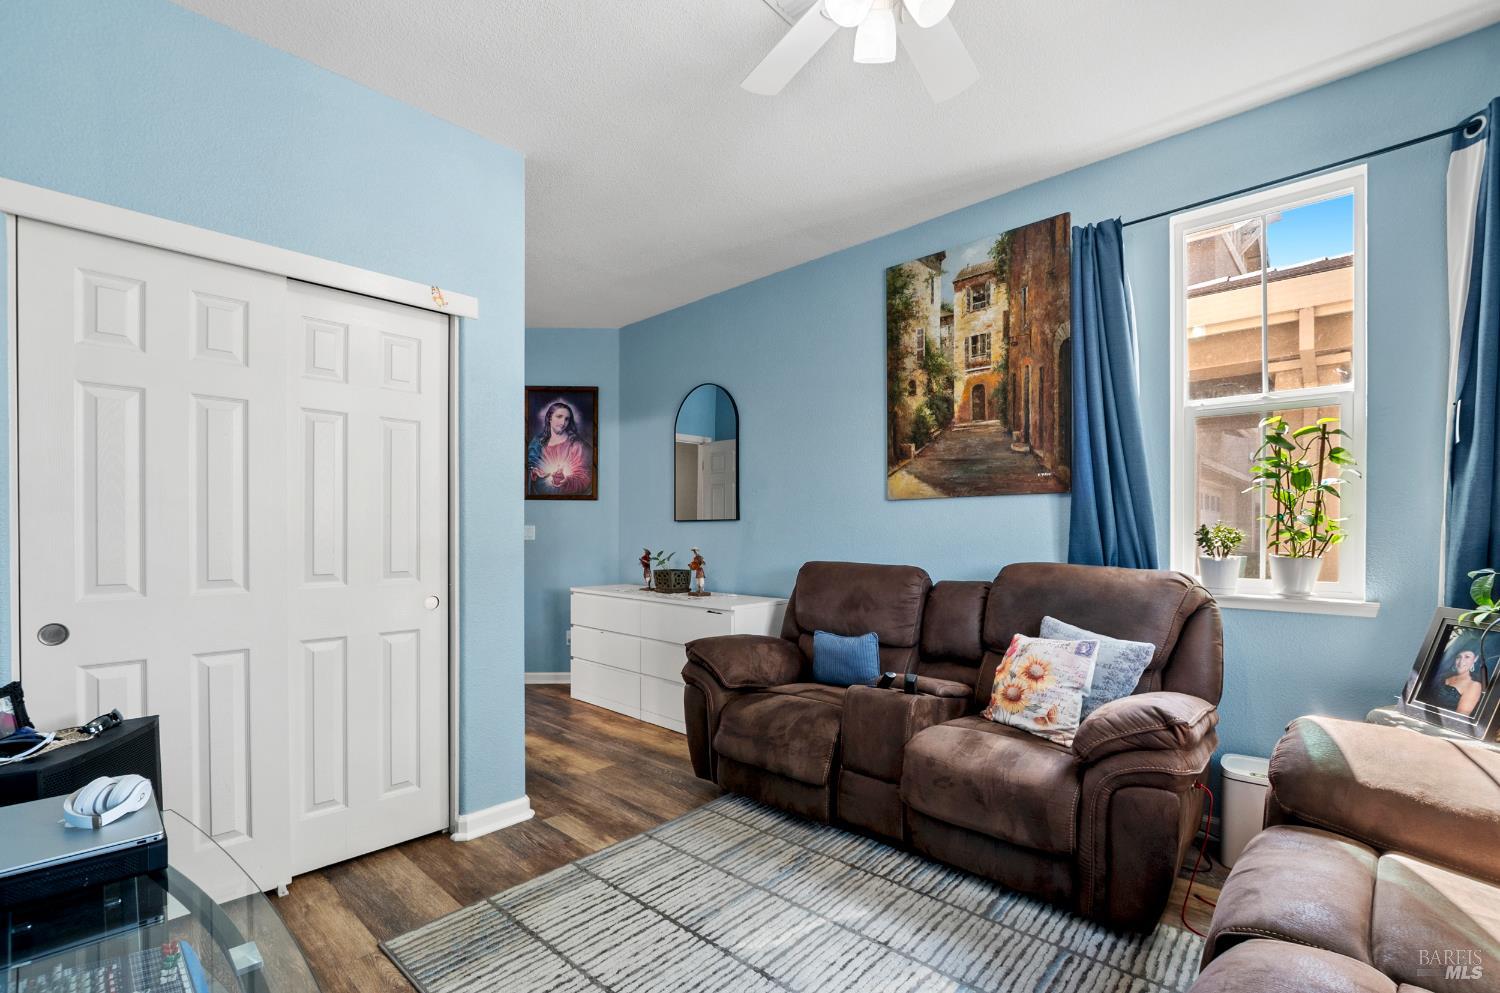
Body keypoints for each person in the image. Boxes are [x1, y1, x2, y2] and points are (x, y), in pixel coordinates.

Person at [527, 401, 593, 496]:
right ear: (550, 417)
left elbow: (584, 478)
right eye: (559, 417)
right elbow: (528, 465)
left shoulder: (577, 445)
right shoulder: (537, 442)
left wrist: (566, 480)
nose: (563, 423)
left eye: (567, 419)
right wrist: (534, 470)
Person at [1444, 649, 1488, 717]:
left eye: (1467, 657)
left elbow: (1459, 718)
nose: (1461, 661)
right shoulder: (1444, 676)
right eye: (1458, 657)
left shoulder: (1474, 686)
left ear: (1475, 659)